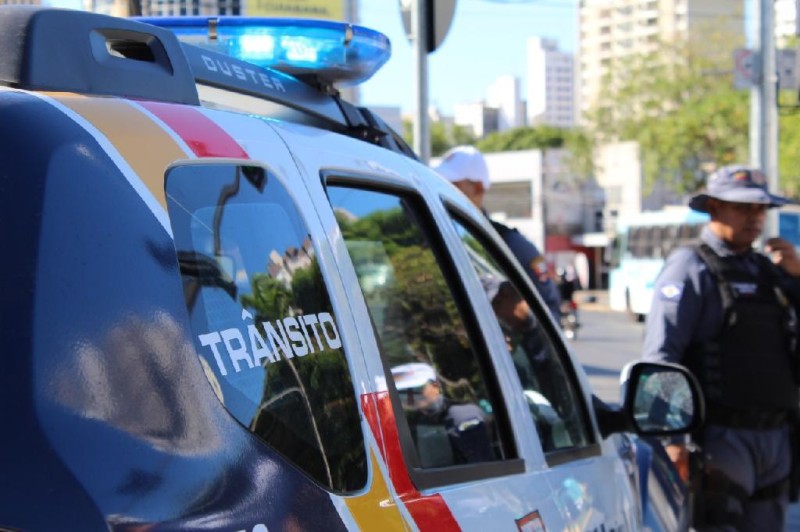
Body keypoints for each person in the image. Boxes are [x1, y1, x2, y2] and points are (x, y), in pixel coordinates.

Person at [641, 164, 800, 531]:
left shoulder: (768, 270)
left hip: (775, 437)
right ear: (713, 207)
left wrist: (797, 278)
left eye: (760, 209)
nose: (755, 217)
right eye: (742, 208)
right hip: (720, 439)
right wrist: (671, 440)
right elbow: (661, 357)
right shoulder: (690, 267)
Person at [433, 145, 562, 322]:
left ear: (478, 188)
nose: (440, 189)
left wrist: (522, 321)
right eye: (438, 182)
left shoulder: (511, 245)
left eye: (451, 184)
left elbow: (551, 314)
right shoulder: (434, 236)